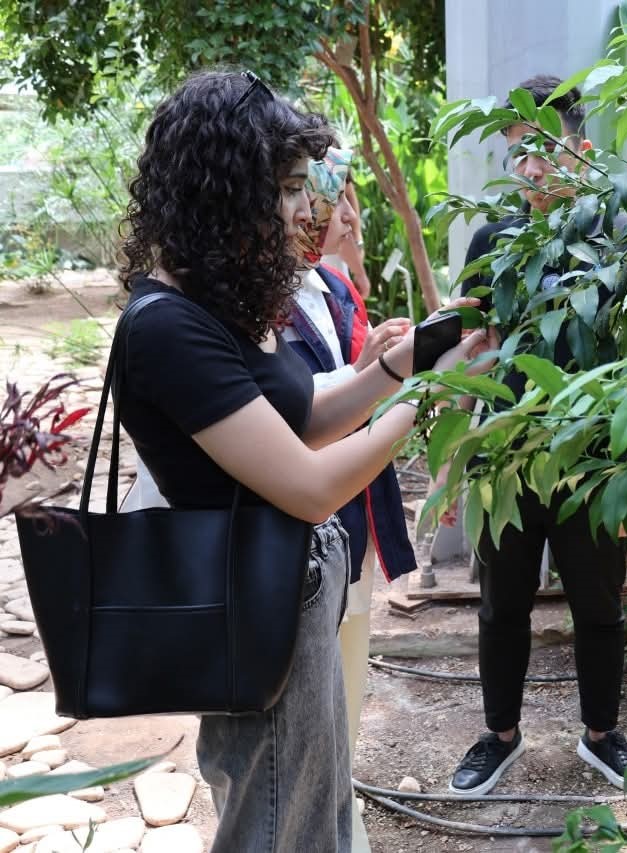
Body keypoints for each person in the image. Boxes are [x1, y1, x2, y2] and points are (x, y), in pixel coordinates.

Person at [114, 70, 490, 852]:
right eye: (285, 188)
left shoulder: (215, 304)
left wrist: (405, 364)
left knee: (312, 816)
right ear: (223, 191)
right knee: (278, 823)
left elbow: (304, 418)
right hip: (253, 614)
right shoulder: (167, 328)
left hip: (290, 592)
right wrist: (435, 396)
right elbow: (312, 485)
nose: (303, 208)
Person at [446, 74, 627, 797]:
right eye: (517, 154)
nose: (530, 167)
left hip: (593, 460)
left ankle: (602, 735)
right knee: (501, 606)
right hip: (506, 458)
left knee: (599, 605)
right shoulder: (492, 240)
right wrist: (456, 454)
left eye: (542, 149)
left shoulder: (617, 236)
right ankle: (499, 736)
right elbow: (476, 347)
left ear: (581, 151)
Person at [283, 146, 416, 853]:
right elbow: (297, 423)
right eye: (314, 200)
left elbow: (340, 392)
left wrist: (376, 368)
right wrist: (411, 392)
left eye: (329, 203)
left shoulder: (328, 289)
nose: (331, 218)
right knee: (304, 714)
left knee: (346, 690)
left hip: (350, 525)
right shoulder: (252, 305)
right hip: (303, 531)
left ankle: (343, 820)